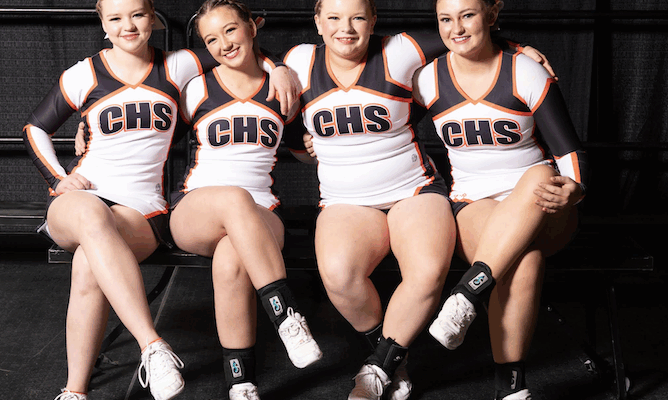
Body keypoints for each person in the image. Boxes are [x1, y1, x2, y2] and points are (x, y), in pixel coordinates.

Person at [22, 1, 297, 399]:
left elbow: (237, 48)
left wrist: (281, 67)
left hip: (141, 210)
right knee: (91, 215)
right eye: (115, 18)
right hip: (82, 199)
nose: (128, 26)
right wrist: (59, 178)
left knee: (87, 264)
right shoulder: (85, 73)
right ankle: (152, 345)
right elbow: (35, 128)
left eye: (137, 14)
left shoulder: (178, 66)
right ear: (103, 24)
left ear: (152, 18)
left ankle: (75, 391)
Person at [290, 1, 555, 399]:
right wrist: (300, 140)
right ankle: (392, 359)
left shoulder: (399, 51)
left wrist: (518, 48)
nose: (346, 28)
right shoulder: (297, 62)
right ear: (317, 22)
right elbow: (273, 112)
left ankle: (377, 370)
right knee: (341, 279)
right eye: (334, 18)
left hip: (413, 189)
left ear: (373, 21)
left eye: (358, 17)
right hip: (345, 200)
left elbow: (463, 36)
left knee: (428, 270)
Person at [412, 1, 589, 399]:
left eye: (468, 15)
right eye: (445, 19)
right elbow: (385, 127)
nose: (456, 28)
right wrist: (312, 141)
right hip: (474, 203)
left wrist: (575, 188)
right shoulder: (428, 80)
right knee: (524, 260)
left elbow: (568, 150)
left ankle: (465, 295)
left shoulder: (524, 70)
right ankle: (511, 389)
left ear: (492, 14)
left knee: (540, 174)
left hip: (544, 205)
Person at [167, 1, 322, 399]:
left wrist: (312, 145)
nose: (224, 44)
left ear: (253, 27)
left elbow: (302, 149)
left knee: (231, 259)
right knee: (234, 197)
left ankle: (241, 383)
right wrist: (87, 131)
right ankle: (287, 317)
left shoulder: (281, 87)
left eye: (231, 30)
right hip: (196, 209)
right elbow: (151, 136)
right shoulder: (196, 89)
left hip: (261, 212)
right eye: (211, 39)